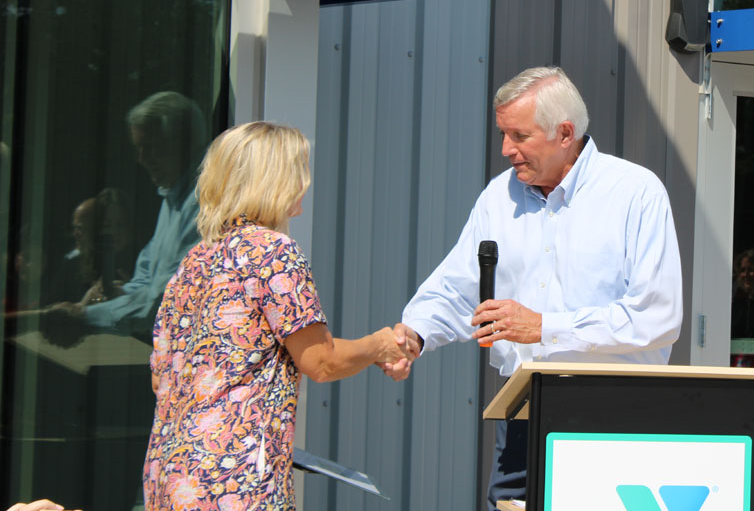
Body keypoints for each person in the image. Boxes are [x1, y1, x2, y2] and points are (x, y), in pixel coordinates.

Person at [385, 66, 683, 509]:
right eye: (503, 134)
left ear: (565, 133)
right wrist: (414, 334)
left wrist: (545, 327)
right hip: (522, 409)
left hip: (614, 410)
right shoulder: (497, 197)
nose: (506, 149)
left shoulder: (635, 193)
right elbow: (456, 288)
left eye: (519, 136)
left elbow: (656, 316)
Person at [142, 121, 411, 511]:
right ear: (277, 178)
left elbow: (161, 375)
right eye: (299, 167)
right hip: (234, 479)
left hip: (170, 471)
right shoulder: (272, 252)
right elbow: (320, 360)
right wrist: (380, 345)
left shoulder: (195, 260)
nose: (305, 180)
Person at [48, 92, 207, 338]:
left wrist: (84, 315)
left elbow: (164, 303)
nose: (141, 159)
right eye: (138, 148)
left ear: (183, 143)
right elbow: (146, 281)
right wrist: (113, 298)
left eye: (151, 148)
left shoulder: (204, 203)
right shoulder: (172, 198)